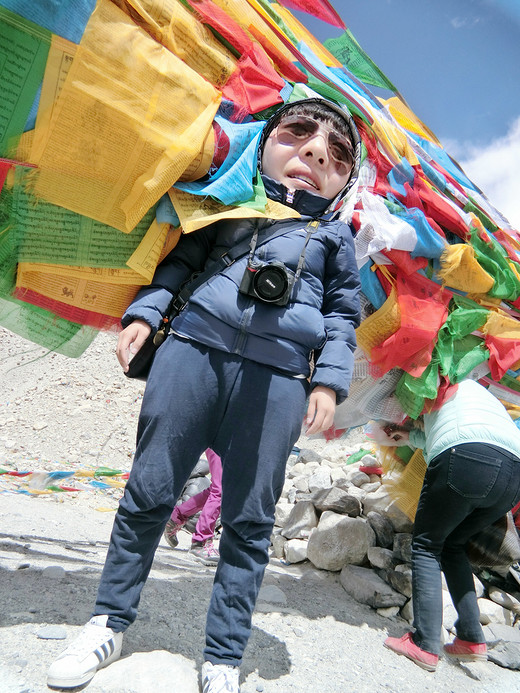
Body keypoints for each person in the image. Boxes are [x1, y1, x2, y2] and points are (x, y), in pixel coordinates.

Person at [47, 97, 362, 692]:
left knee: (249, 520)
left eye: (336, 155)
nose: (316, 152)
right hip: (191, 351)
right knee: (149, 491)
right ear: (264, 143)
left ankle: (222, 657)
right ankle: (108, 621)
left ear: (344, 179)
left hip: (279, 382)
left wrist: (328, 379)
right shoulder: (226, 199)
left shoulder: (336, 238)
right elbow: (181, 260)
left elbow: (344, 315)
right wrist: (145, 311)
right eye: (297, 134)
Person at [381, 379, 520, 672]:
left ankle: (425, 643)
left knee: (426, 545)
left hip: (465, 456)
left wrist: (403, 428)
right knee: (453, 545)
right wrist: (408, 436)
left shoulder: (433, 381)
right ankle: (471, 637)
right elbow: (437, 431)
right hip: (513, 474)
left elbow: (451, 436)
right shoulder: (476, 392)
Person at [164, 448, 222, 566]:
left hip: (237, 439)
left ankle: (176, 517)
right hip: (223, 436)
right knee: (220, 489)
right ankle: (201, 543)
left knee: (219, 488)